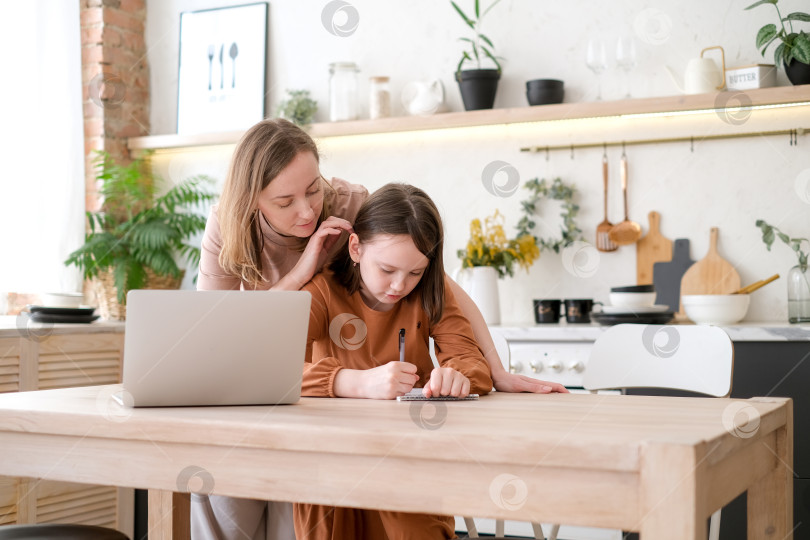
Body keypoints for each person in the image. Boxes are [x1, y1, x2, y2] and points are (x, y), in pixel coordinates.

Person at [192, 118, 567, 540]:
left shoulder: (354, 209)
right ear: (252, 199)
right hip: (274, 392)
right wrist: (303, 274)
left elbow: (443, 289)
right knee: (222, 493)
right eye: (285, 201)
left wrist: (490, 371)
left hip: (335, 428)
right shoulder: (237, 230)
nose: (307, 211)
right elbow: (226, 348)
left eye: (313, 190)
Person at [295, 183, 492, 540]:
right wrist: (355, 383)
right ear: (355, 248)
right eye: (387, 269)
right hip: (331, 459)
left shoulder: (432, 293)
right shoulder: (321, 293)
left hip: (411, 458)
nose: (400, 285)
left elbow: (469, 359)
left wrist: (456, 377)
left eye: (415, 272)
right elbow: (273, 371)